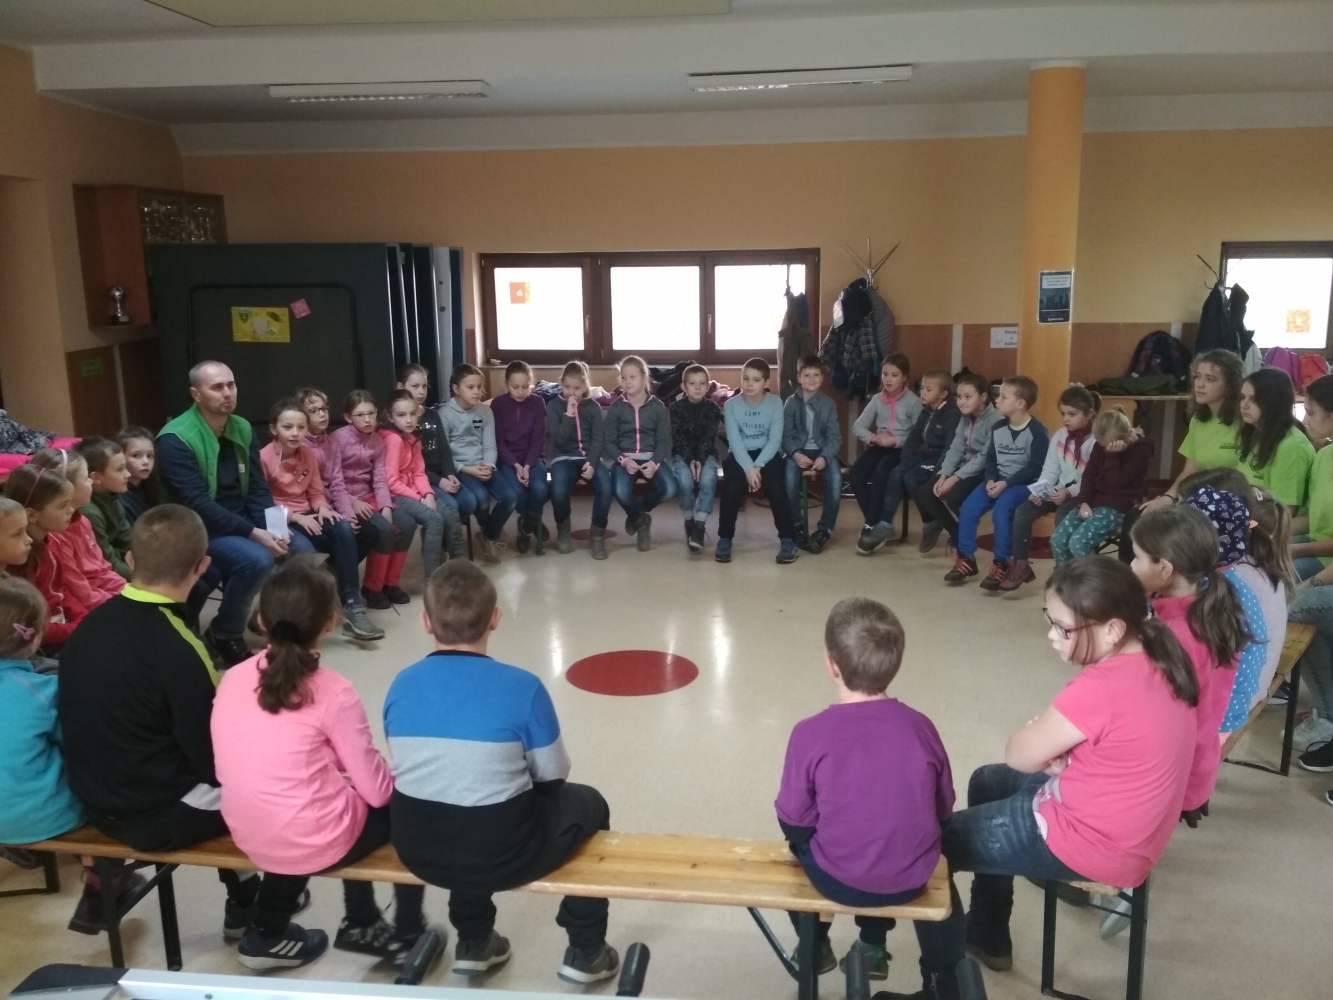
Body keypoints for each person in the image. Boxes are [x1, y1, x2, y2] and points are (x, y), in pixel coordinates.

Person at [58, 505, 321, 965]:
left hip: (91, 797)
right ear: (202, 566)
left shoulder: (90, 627)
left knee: (220, 780)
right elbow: (211, 756)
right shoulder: (180, 646)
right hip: (153, 816)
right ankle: (266, 929)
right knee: (289, 792)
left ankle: (244, 899)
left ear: (131, 560)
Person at [922, 558, 1197, 995]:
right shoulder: (1159, 652)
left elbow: (1019, 756)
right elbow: (1127, 744)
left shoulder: (1100, 687)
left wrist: (1040, 738)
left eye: (1063, 628)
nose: (1052, 636)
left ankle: (946, 982)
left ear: (1112, 629)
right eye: (1050, 621)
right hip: (1124, 824)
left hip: (1092, 841)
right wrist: (1069, 757)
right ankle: (989, 930)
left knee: (925, 850)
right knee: (986, 781)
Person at [385, 561, 620, 983]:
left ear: (425, 621)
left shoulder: (401, 683)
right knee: (591, 804)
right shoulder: (523, 686)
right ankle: (587, 950)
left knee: (463, 799)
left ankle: (475, 941)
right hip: (503, 851)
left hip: (416, 846)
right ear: (495, 617)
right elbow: (553, 777)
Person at [211, 556, 428, 968]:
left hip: (245, 827)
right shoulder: (333, 691)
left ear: (261, 619)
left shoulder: (233, 677)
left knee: (300, 805)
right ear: (331, 622)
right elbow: (377, 792)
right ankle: (386, 927)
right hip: (308, 838)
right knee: (402, 805)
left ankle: (266, 932)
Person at [775, 597, 960, 986]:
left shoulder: (810, 733)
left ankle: (815, 943)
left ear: (832, 665)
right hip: (913, 875)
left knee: (796, 846)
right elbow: (944, 809)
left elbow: (794, 821)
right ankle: (872, 945)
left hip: (837, 879)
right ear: (895, 663)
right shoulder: (922, 727)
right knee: (888, 837)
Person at [156, 361, 284, 665]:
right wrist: (254, 533)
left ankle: (273, 626)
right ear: (195, 394)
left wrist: (276, 527)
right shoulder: (175, 439)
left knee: (298, 547)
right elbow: (198, 502)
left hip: (239, 521)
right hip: (198, 529)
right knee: (257, 559)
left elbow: (258, 487)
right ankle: (226, 633)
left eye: (231, 385)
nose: (228, 393)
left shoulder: (242, 427)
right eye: (217, 387)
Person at [0, 575, 108, 933]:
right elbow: (81, 744)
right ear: (34, 638)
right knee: (102, 777)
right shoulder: (43, 690)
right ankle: (101, 880)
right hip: (44, 816)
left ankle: (21, 845)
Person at [1129, 503, 1246, 815]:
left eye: (1137, 557)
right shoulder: (1208, 605)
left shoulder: (1174, 635)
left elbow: (1149, 713)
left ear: (1165, 569)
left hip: (1169, 773)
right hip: (1197, 760)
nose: (1131, 565)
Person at [259, 398, 384, 641]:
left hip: (309, 513)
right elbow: (262, 502)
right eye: (287, 427)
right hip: (278, 517)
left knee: (346, 529)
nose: (295, 433)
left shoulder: (307, 454)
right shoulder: (264, 458)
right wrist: (296, 517)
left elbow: (316, 493)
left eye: (300, 427)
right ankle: (308, 607)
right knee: (304, 550)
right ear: (274, 428)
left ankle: (352, 605)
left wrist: (323, 508)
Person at [1119, 348, 1243, 563]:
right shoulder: (1198, 420)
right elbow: (1190, 470)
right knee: (1137, 516)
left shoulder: (1243, 423)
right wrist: (1168, 497)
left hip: (1227, 505)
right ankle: (1131, 579)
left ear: (1231, 385)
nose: (1199, 384)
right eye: (1197, 377)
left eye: (1210, 379)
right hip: (1197, 498)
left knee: (1169, 532)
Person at [945, 376, 1049, 587]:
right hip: (997, 480)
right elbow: (990, 459)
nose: (997, 400)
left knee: (1002, 510)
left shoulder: (1037, 431)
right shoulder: (998, 427)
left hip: (1022, 484)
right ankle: (966, 558)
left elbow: (1035, 467)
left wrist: (1006, 484)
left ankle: (1002, 562)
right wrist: (991, 479)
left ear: (1020, 403)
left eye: (1003, 396)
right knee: (968, 508)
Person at [1002, 385, 1098, 585]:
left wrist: (1069, 492)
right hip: (1057, 490)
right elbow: (1051, 469)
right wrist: (1040, 490)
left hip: (1083, 494)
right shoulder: (1060, 435)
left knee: (1063, 515)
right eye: (1063, 413)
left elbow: (1093, 478)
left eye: (1072, 414)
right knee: (1023, 511)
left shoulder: (1096, 441)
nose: (1066, 419)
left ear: (1089, 414)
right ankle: (1020, 565)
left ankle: (1064, 571)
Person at [858, 370, 958, 556]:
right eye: (922, 388)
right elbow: (913, 438)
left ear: (943, 394)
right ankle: (885, 523)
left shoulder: (951, 414)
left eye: (929, 389)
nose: (923, 392)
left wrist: (941, 471)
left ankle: (930, 523)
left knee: (911, 478)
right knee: (897, 473)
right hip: (925, 455)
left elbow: (951, 447)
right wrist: (905, 461)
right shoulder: (926, 411)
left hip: (941, 459)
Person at [333, 389, 415, 607]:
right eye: (360, 415)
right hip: (345, 498)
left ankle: (390, 583)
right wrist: (353, 502)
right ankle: (373, 587)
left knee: (407, 525)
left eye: (371, 413)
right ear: (348, 417)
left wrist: (386, 505)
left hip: (371, 496)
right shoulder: (338, 440)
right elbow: (333, 481)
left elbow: (379, 479)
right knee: (384, 530)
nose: (367, 419)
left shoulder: (378, 441)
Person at [1047, 408, 1153, 569]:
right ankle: (1067, 578)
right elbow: (1089, 476)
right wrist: (1083, 502)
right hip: (1093, 502)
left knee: (1078, 543)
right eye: (1101, 444)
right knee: (1058, 540)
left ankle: (1097, 578)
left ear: (1122, 438)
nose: (1103, 448)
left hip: (1119, 506)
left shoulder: (1141, 450)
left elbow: (1116, 482)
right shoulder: (1100, 446)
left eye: (1106, 445)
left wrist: (1112, 455)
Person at [717, 358, 798, 565]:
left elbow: (775, 440)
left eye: (756, 380)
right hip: (741, 454)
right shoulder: (731, 405)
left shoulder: (775, 404)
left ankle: (788, 539)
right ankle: (725, 538)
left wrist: (758, 466)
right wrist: (748, 468)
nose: (749, 384)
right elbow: (734, 441)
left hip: (767, 454)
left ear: (765, 383)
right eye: (745, 378)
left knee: (777, 490)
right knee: (731, 491)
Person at [3, 464, 89, 653]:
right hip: (46, 644)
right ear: (32, 515)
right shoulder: (18, 562)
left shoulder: (53, 542)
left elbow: (62, 591)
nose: (71, 510)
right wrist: (76, 629)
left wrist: (82, 617)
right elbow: (33, 626)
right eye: (62, 505)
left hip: (65, 627)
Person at [30, 448, 126, 612]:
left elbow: (103, 569)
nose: (91, 482)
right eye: (85, 477)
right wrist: (121, 601)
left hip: (106, 596)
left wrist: (127, 590)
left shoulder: (83, 520)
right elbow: (80, 593)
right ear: (67, 486)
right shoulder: (56, 535)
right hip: (92, 606)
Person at [913, 373, 995, 554]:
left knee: (954, 497)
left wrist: (954, 478)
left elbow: (984, 457)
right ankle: (957, 533)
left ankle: (967, 527)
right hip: (964, 466)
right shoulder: (965, 417)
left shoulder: (994, 420)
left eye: (968, 397)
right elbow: (956, 448)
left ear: (983, 397)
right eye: (959, 397)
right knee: (926, 492)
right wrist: (944, 475)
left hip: (983, 469)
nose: (961, 402)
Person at [396, 365, 470, 560]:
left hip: (440, 475)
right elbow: (412, 467)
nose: (421, 391)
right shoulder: (402, 422)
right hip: (422, 479)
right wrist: (439, 481)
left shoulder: (432, 415)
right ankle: (448, 554)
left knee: (468, 501)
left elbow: (444, 449)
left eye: (424, 386)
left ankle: (440, 544)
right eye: (415, 386)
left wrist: (450, 474)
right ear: (401, 387)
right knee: (451, 507)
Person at [441, 364, 513, 564]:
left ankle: (488, 536)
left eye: (479, 387)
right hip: (461, 468)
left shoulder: (485, 412)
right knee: (480, 499)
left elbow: (490, 445)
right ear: (456, 389)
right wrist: (467, 469)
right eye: (470, 387)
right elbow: (444, 454)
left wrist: (489, 465)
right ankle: (490, 537)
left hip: (483, 465)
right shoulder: (444, 414)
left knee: (510, 498)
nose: (477, 391)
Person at [850, 355, 922, 549]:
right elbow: (858, 426)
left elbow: (919, 436)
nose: (888, 379)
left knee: (882, 473)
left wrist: (895, 440)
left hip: (901, 450)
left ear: (904, 378)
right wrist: (872, 438)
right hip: (879, 446)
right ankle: (875, 521)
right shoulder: (877, 399)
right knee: (855, 474)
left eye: (894, 375)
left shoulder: (913, 402)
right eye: (885, 374)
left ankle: (871, 525)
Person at [604, 355, 674, 553]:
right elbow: (609, 441)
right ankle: (642, 523)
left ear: (644, 378)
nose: (627, 382)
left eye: (632, 377)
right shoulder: (616, 408)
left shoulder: (657, 406)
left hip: (652, 458)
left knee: (670, 488)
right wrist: (624, 461)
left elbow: (663, 440)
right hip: (625, 460)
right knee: (620, 490)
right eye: (623, 377)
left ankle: (637, 511)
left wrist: (655, 462)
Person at [547, 361, 612, 559]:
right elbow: (558, 440)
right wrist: (568, 414)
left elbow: (598, 438)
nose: (571, 392)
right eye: (567, 387)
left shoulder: (593, 407)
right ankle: (563, 530)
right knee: (558, 491)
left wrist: (591, 463)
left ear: (585, 386)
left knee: (606, 488)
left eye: (576, 388)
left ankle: (597, 535)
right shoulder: (554, 406)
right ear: (561, 384)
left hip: (589, 457)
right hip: (563, 458)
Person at [381, 389, 448, 581]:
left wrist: (428, 494)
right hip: (397, 495)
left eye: (412, 414)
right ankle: (431, 578)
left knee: (449, 515)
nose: (409, 420)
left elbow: (419, 472)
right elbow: (391, 482)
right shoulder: (393, 439)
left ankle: (455, 566)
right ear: (391, 417)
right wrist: (419, 499)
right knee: (434, 520)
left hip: (413, 491)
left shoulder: (414, 437)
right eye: (402, 415)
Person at [781, 355, 843, 555]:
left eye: (816, 375)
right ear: (799, 377)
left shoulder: (828, 404)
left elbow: (834, 438)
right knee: (789, 480)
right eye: (806, 375)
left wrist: (825, 457)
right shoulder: (791, 403)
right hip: (797, 450)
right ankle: (797, 526)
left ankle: (825, 529)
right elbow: (785, 435)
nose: (811, 379)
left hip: (822, 450)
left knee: (836, 480)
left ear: (822, 378)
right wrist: (795, 454)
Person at [492, 361, 550, 555]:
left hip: (533, 458)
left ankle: (526, 525)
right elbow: (499, 442)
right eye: (515, 387)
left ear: (531, 385)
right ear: (507, 384)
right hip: (508, 460)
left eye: (525, 387)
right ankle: (534, 521)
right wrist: (516, 465)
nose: (520, 391)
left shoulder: (538, 402)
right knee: (517, 494)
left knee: (541, 489)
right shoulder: (498, 404)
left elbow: (538, 439)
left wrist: (527, 465)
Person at [1237, 367, 1315, 508]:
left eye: (1254, 400)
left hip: (1269, 520)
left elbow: (1284, 511)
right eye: (1243, 397)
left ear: (1273, 402)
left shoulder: (1291, 446)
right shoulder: (1254, 432)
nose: (1244, 405)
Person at [670, 363, 723, 554]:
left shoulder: (713, 409)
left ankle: (700, 525)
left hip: (706, 454)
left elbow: (709, 438)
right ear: (684, 387)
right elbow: (678, 438)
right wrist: (690, 460)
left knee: (708, 479)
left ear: (708, 386)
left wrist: (699, 460)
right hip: (682, 455)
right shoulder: (676, 408)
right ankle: (688, 520)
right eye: (692, 383)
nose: (698, 387)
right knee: (684, 481)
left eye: (702, 383)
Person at [76, 437, 133, 579]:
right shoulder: (89, 512)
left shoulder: (111, 497)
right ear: (96, 478)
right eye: (120, 469)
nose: (128, 474)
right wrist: (144, 579)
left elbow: (128, 542)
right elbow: (108, 562)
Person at [115, 426, 162, 524]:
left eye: (149, 456)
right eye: (136, 455)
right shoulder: (119, 497)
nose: (146, 462)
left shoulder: (150, 487)